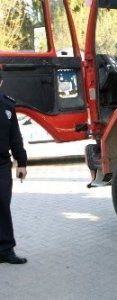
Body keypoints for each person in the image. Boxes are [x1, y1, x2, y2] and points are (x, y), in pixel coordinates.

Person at [0, 74, 28, 265]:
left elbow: (15, 137)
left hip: (1, 164)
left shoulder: (7, 105)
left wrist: (22, 162)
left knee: (2, 205)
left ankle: (5, 250)